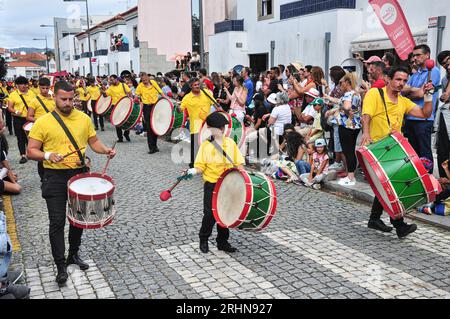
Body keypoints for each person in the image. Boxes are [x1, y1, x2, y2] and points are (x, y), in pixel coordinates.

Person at [27, 81, 116, 286]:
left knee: (78, 218)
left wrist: (106, 151)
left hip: (78, 173)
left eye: (70, 99)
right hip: (54, 176)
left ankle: (73, 255)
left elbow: (93, 142)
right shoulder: (43, 122)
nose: (68, 103)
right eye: (63, 99)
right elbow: (31, 151)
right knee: (57, 222)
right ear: (55, 97)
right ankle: (60, 266)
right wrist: (48, 154)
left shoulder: (84, 118)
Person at [361, 66, 435, 238]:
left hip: (394, 149)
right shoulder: (375, 93)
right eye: (398, 79)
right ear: (388, 79)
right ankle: (399, 225)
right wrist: (366, 133)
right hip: (377, 148)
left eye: (404, 81)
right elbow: (367, 114)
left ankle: (375, 220)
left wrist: (429, 95)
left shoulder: (403, 101)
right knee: (390, 187)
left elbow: (425, 113)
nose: (401, 83)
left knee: (388, 186)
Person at [179, 112, 244, 254]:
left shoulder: (231, 143)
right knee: (210, 214)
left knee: (225, 213)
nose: (221, 130)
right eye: (217, 128)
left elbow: (239, 163)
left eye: (222, 127)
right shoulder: (206, 146)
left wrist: (243, 179)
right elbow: (199, 167)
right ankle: (203, 238)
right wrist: (190, 172)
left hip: (228, 184)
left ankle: (222, 242)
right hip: (212, 185)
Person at [402, 45, 441, 170]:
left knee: (424, 152)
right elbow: (402, 90)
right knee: (413, 152)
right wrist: (415, 91)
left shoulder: (433, 71)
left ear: (427, 55)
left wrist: (411, 92)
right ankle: (418, 178)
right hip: (410, 117)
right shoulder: (416, 73)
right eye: (414, 55)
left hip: (423, 119)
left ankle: (428, 178)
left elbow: (422, 94)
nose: (415, 58)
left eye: (418, 55)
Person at [325, 73, 362, 186]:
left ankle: (350, 177)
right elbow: (341, 101)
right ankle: (350, 175)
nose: (340, 85)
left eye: (341, 83)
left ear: (347, 83)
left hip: (346, 125)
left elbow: (346, 106)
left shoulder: (347, 95)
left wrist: (343, 109)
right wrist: (329, 98)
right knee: (350, 150)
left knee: (348, 151)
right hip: (355, 125)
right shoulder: (355, 94)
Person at [180, 78, 216, 168]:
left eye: (198, 84)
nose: (197, 86)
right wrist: (177, 108)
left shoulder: (207, 93)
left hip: (208, 125)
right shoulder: (187, 97)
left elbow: (215, 104)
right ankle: (193, 166)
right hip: (195, 126)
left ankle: (207, 164)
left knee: (208, 146)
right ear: (191, 86)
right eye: (195, 85)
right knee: (195, 148)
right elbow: (181, 108)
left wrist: (222, 113)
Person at [27, 77, 57, 181]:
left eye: (46, 88)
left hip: (53, 130)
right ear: (39, 87)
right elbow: (28, 116)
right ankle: (43, 177)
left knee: (53, 151)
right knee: (41, 155)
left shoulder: (53, 99)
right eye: (42, 88)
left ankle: (53, 174)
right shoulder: (34, 101)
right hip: (41, 131)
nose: (44, 90)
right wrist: (40, 120)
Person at [135, 73, 165, 154]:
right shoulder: (140, 86)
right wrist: (136, 99)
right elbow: (136, 95)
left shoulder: (153, 83)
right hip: (147, 107)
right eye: (143, 80)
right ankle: (151, 147)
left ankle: (155, 146)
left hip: (155, 106)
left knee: (155, 126)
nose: (144, 81)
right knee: (149, 127)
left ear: (148, 78)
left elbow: (160, 91)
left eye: (145, 80)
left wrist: (165, 98)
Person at [7, 76, 35, 164]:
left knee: (31, 137)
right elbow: (9, 107)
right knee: (20, 137)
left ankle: (30, 153)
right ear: (17, 85)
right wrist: (15, 111)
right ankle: (23, 155)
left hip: (29, 118)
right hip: (18, 118)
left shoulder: (32, 93)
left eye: (25, 84)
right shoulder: (13, 95)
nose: (23, 86)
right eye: (21, 84)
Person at [104, 75, 133, 143]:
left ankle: (126, 134)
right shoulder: (111, 87)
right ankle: (120, 138)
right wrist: (103, 92)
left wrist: (131, 101)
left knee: (127, 120)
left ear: (116, 79)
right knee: (117, 122)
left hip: (124, 105)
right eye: (110, 80)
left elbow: (130, 93)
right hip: (115, 106)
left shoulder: (123, 85)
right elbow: (105, 95)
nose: (111, 81)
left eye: (112, 80)